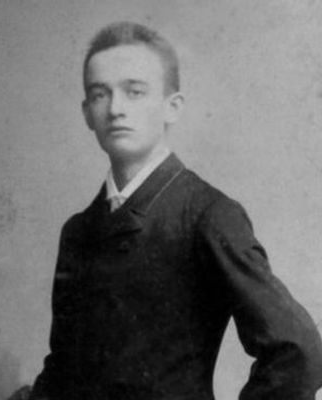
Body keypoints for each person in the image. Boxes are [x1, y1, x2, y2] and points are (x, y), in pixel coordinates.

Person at [29, 21, 322, 400]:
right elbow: (63, 372)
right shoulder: (78, 231)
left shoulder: (207, 215)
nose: (116, 109)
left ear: (172, 106)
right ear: (87, 113)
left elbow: (300, 353)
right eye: (100, 94)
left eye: (135, 92)